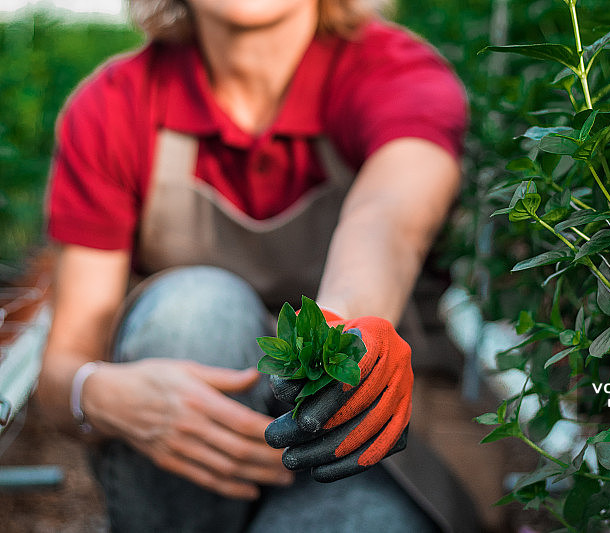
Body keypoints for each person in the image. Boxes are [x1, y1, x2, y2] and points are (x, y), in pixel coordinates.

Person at [36, 0, 468, 531]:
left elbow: (390, 216)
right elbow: (60, 373)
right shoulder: (117, 105)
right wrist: (101, 393)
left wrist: (349, 329)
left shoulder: (392, 73)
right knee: (193, 310)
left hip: (364, 448)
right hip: (189, 463)